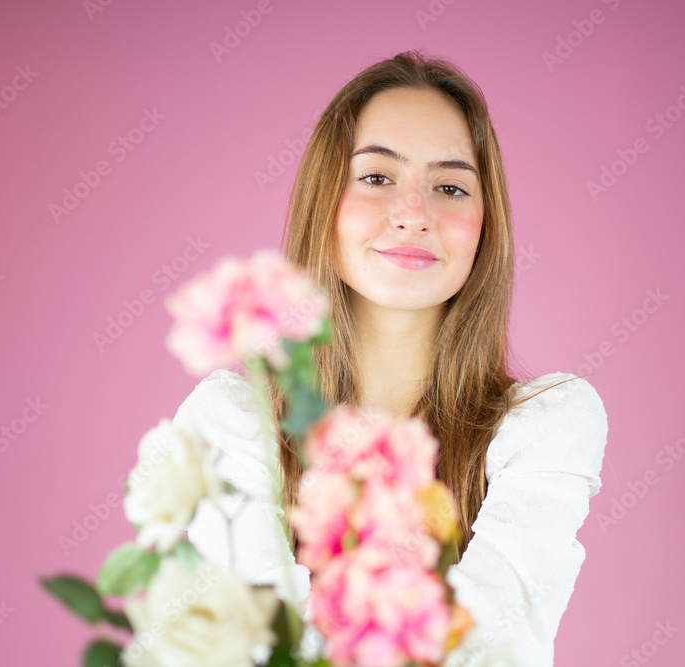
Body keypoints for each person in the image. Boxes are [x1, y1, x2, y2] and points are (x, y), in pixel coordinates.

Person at [172, 49, 609, 666]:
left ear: (486, 225)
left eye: (450, 186)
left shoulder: (549, 422)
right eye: (378, 178)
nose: (414, 215)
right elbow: (252, 644)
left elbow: (494, 646)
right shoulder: (233, 419)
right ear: (325, 202)